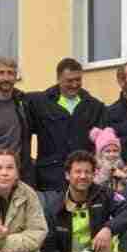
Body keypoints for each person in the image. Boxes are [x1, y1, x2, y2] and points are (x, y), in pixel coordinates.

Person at [26, 58, 106, 191]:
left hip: (83, 180)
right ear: (58, 79)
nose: (75, 84)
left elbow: (103, 143)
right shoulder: (39, 103)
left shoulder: (95, 106)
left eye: (78, 80)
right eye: (69, 81)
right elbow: (10, 97)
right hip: (50, 181)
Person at [90, 127, 127, 196]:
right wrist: (106, 171)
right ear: (100, 154)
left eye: (115, 151)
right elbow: (94, 185)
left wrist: (125, 177)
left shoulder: (122, 166)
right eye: (107, 151)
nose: (112, 154)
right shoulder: (95, 168)